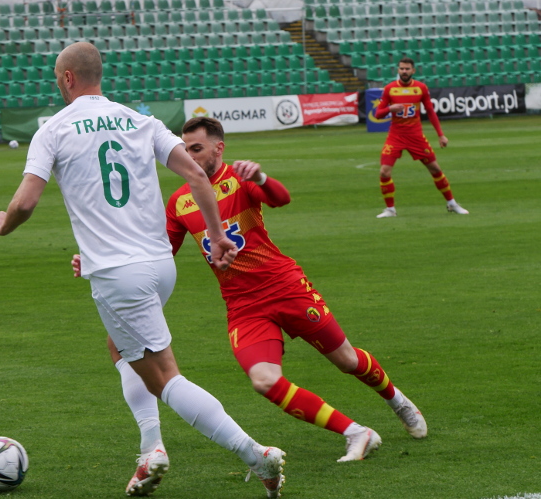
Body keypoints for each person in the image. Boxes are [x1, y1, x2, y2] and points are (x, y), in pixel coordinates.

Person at [0, 42, 287, 498]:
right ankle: (151, 449)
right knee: (120, 347)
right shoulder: (140, 120)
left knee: (165, 376)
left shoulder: (54, 129)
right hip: (159, 265)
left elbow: (25, 202)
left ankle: (253, 453)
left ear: (68, 78)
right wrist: (219, 234)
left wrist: (2, 224)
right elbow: (198, 176)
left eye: (57, 77)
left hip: (118, 274)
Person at [77, 117, 428, 467]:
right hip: (243, 305)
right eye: (185, 150)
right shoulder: (180, 202)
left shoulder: (240, 179)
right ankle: (355, 432)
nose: (189, 156)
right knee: (263, 381)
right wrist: (99, 259)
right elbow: (160, 250)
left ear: (219, 148)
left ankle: (397, 401)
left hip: (285, 286)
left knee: (348, 360)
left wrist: (260, 177)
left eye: (197, 149)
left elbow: (281, 198)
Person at [374, 57, 468, 218]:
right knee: (384, 171)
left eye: (407, 69)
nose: (404, 71)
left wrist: (440, 135)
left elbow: (430, 112)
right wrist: (390, 108)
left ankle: (452, 203)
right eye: (402, 68)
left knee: (435, 169)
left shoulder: (421, 88)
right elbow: (377, 113)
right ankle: (390, 209)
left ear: (413, 70)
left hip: (416, 136)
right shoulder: (390, 88)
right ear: (398, 70)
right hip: (396, 136)